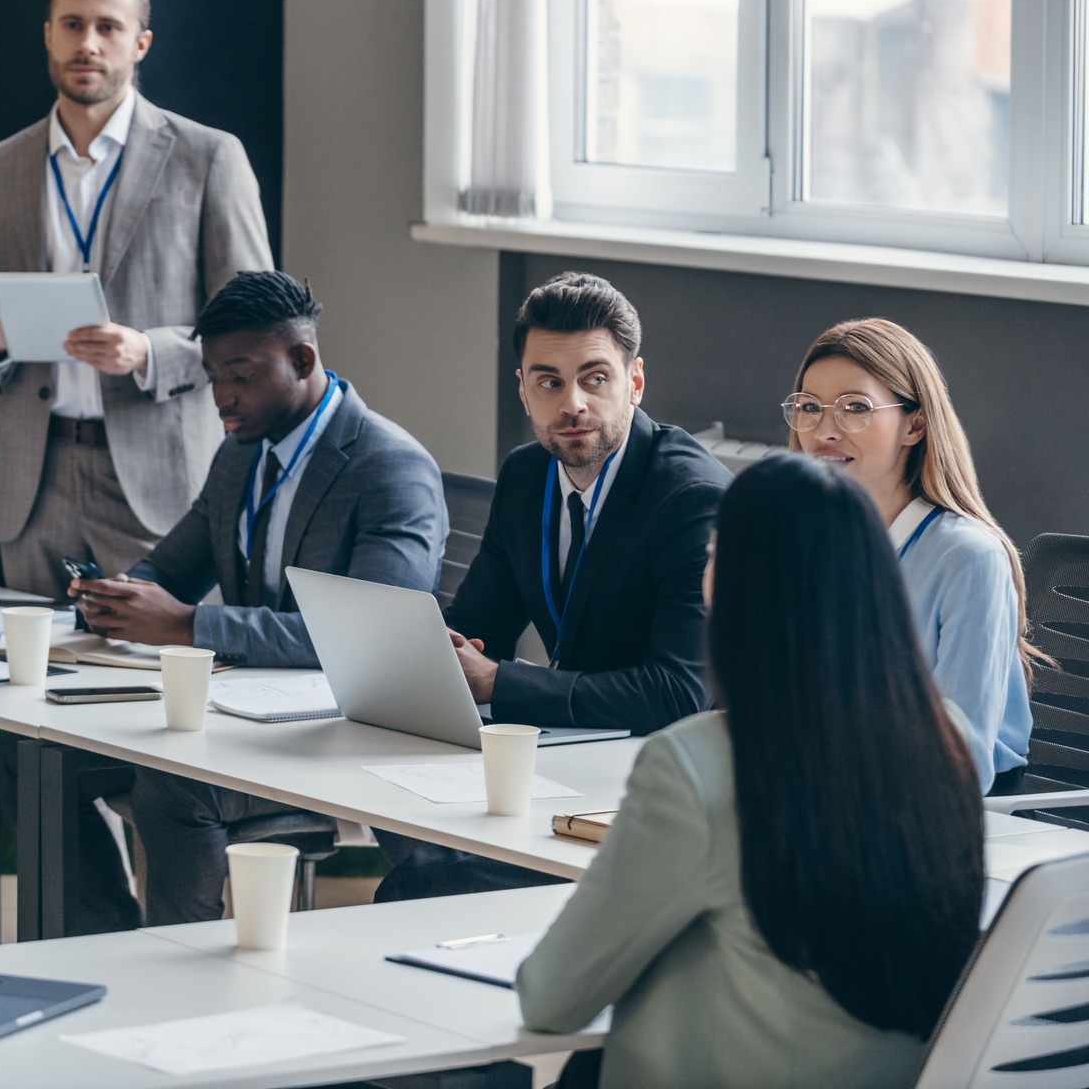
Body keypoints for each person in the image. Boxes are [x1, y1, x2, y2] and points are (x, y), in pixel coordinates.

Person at [517, 452, 984, 1089]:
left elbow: (549, 997)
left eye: (713, 554)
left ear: (732, 585)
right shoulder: (949, 741)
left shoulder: (694, 764)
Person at [70, 272, 447, 925]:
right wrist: (118, 595)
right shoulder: (240, 455)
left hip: (335, 733)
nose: (221, 397)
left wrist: (188, 625)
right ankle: (101, 947)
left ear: (301, 360)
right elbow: (171, 567)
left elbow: (365, 642)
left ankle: (174, 973)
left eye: (240, 374)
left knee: (170, 782)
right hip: (241, 716)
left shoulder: (389, 467)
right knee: (40, 759)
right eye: (213, 376)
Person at [0, 0, 273, 598]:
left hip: (159, 484)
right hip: (32, 484)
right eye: (73, 24)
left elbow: (259, 334)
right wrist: (1, 338)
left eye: (109, 27)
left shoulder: (207, 159)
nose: (88, 43)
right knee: (30, 688)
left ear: (141, 42)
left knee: (156, 684)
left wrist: (149, 351)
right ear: (49, 35)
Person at [376, 271, 730, 901]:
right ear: (524, 389)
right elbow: (481, 620)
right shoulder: (526, 475)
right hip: (565, 758)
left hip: (659, 781)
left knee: (423, 883)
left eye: (596, 378)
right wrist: (438, 651)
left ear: (635, 382)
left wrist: (497, 681)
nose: (573, 404)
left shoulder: (689, 496)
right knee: (404, 825)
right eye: (550, 382)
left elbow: (679, 693)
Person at [786, 318, 1041, 791]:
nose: (824, 430)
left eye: (855, 408)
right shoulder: (809, 541)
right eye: (809, 408)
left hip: (934, 818)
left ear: (915, 424)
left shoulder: (967, 558)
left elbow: (961, 762)